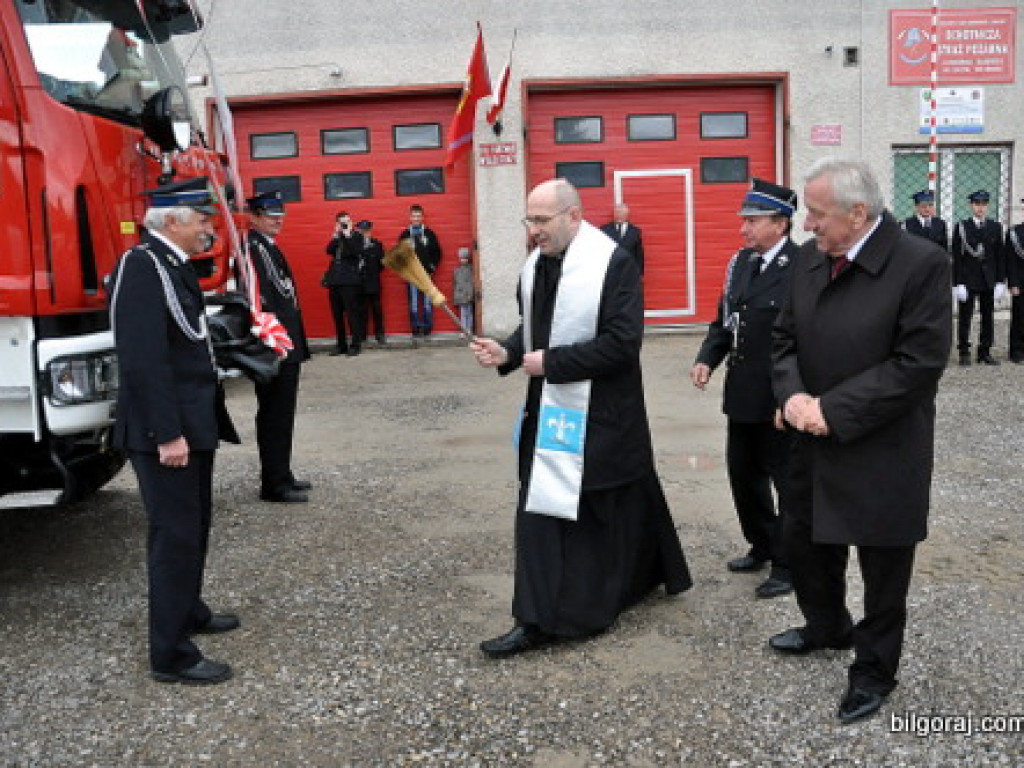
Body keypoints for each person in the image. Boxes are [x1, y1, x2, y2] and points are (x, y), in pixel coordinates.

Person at [469, 178, 692, 659]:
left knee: (607, 503)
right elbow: (535, 328)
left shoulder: (612, 263)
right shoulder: (535, 267)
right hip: (548, 410)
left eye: (542, 220)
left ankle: (602, 596)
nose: (534, 231)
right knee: (544, 510)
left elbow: (621, 342)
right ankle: (538, 617)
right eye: (529, 220)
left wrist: (550, 363)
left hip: (604, 413)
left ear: (574, 215)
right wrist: (506, 351)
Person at [770, 159, 951, 725]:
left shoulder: (920, 263)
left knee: (883, 569)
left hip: (882, 447)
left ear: (857, 212)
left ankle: (874, 671)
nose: (807, 227)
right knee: (805, 544)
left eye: (817, 215)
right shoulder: (808, 259)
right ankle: (827, 628)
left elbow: (918, 362)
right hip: (809, 438)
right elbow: (783, 339)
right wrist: (793, 398)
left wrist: (833, 409)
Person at [107, 177, 241, 685]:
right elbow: (142, 359)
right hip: (164, 430)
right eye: (202, 218)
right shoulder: (140, 267)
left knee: (195, 526)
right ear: (171, 220)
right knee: (174, 536)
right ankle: (171, 655)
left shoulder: (171, 265)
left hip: (193, 421)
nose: (210, 226)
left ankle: (189, 611)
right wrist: (166, 433)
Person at [690, 179, 798, 600]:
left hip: (778, 397)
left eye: (752, 221)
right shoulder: (741, 264)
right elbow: (725, 322)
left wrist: (789, 396)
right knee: (743, 475)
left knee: (786, 483)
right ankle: (762, 544)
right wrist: (706, 358)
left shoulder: (803, 266)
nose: (744, 229)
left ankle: (788, 564)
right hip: (743, 393)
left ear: (781, 223)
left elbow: (807, 338)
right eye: (744, 221)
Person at [246, 192, 312, 503]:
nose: (278, 219)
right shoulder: (254, 248)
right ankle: (273, 483)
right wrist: (274, 342)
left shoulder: (267, 247)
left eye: (280, 213)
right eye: (270, 214)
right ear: (254, 215)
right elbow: (263, 299)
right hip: (275, 343)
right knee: (274, 413)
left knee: (282, 414)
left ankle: (282, 474)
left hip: (286, 341)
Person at [952, 189, 1005, 366]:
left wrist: (1000, 281)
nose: (980, 208)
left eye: (983, 204)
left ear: (987, 206)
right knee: (965, 317)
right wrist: (957, 283)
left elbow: (1000, 255)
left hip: (988, 280)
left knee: (987, 317)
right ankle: (964, 352)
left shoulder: (995, 227)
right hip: (968, 280)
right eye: (977, 204)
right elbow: (957, 257)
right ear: (971, 206)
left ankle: (985, 351)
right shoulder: (961, 227)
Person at [324, 210, 366, 356]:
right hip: (335, 281)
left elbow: (357, 252)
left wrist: (348, 235)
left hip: (350, 281)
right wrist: (336, 235)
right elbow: (328, 250)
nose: (345, 224)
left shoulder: (357, 236)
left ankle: (355, 344)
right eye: (342, 222)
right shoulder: (338, 237)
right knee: (337, 315)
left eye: (347, 221)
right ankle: (341, 344)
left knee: (352, 314)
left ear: (351, 222)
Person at [397, 204, 442, 337]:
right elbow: (400, 255)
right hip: (412, 274)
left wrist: (432, 267)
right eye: (414, 216)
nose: (416, 218)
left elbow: (437, 252)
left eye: (418, 216)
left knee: (428, 302)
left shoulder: (429, 233)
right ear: (410, 217)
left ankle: (427, 327)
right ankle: (416, 328)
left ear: (422, 217)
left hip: (426, 273)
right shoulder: (405, 234)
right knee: (414, 302)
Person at [356, 219, 387, 345]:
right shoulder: (355, 245)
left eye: (367, 231)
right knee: (361, 310)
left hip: (373, 281)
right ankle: (362, 334)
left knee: (377, 309)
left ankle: (379, 334)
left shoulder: (377, 244)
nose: (365, 234)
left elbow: (382, 264)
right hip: (360, 282)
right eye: (362, 231)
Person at [1004, 198, 1024, 363]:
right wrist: (1013, 283)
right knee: (1019, 317)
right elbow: (1010, 260)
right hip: (1021, 282)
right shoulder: (1015, 232)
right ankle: (1017, 351)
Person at [599, 203, 644, 273]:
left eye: (622, 213)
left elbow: (639, 254)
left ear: (627, 215)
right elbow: (600, 251)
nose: (619, 215)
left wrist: (639, 273)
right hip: (610, 270)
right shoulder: (604, 230)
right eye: (617, 212)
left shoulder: (635, 231)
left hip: (629, 270)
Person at [452, 247, 475, 335]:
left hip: (468, 294)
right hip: (461, 295)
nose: (463, 260)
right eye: (461, 258)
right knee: (462, 314)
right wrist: (456, 295)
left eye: (465, 258)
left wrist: (470, 294)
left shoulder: (470, 269)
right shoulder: (457, 270)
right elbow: (456, 284)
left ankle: (469, 329)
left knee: (469, 313)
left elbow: (471, 283)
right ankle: (464, 330)